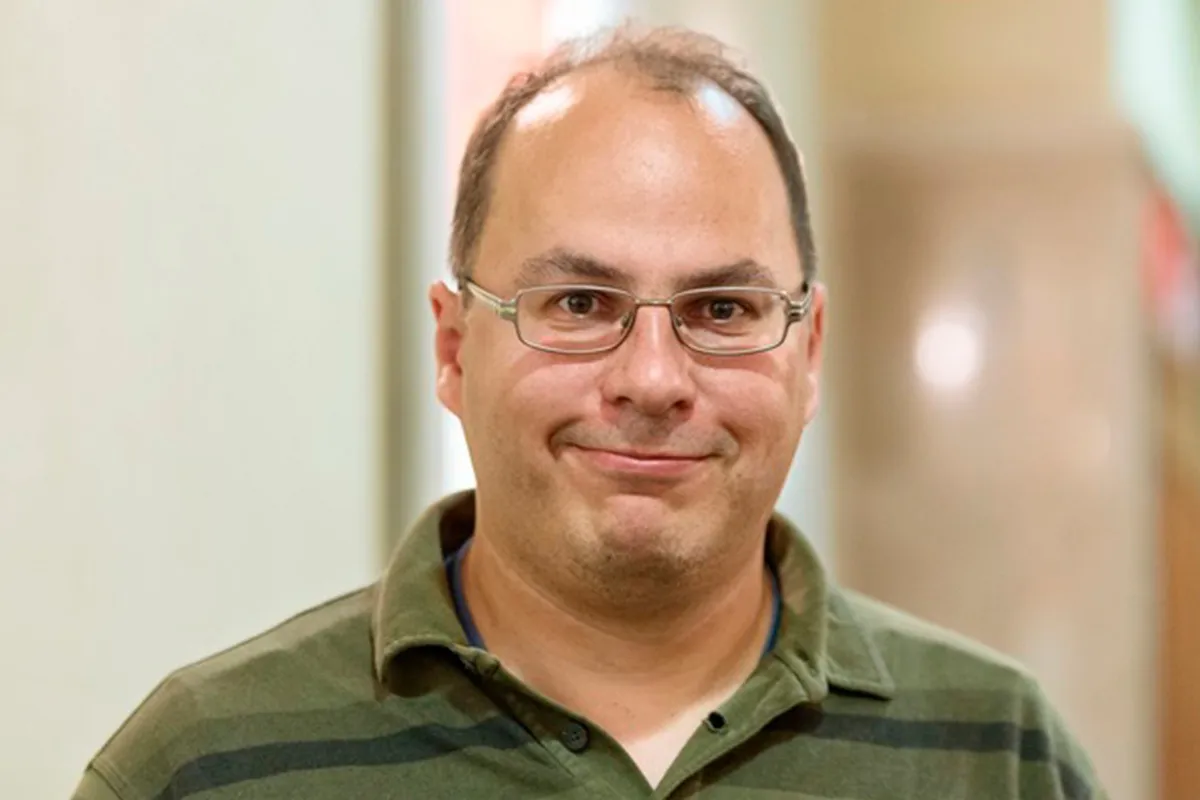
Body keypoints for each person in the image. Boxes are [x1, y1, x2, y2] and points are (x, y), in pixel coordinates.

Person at [73, 24, 1107, 800]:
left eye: (723, 309)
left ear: (808, 354)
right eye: (577, 304)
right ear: (453, 348)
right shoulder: (204, 767)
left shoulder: (1000, 755)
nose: (652, 379)